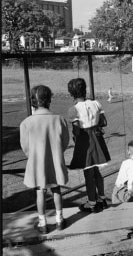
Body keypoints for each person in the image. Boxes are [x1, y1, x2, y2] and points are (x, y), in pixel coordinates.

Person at [20, 85, 69, 234]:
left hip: (37, 164)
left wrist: (35, 156)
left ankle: (42, 223)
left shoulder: (26, 123)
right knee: (56, 189)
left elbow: (25, 147)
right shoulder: (59, 120)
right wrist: (55, 154)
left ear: (33, 101)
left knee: (40, 192)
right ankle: (60, 220)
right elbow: (65, 142)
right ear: (49, 99)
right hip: (55, 162)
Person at [67, 78, 111, 213]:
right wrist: (95, 124)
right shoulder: (96, 103)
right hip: (97, 138)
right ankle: (102, 199)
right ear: (85, 90)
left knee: (88, 173)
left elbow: (76, 131)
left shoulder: (73, 109)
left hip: (85, 141)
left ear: (71, 93)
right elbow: (104, 122)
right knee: (97, 171)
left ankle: (92, 203)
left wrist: (76, 136)